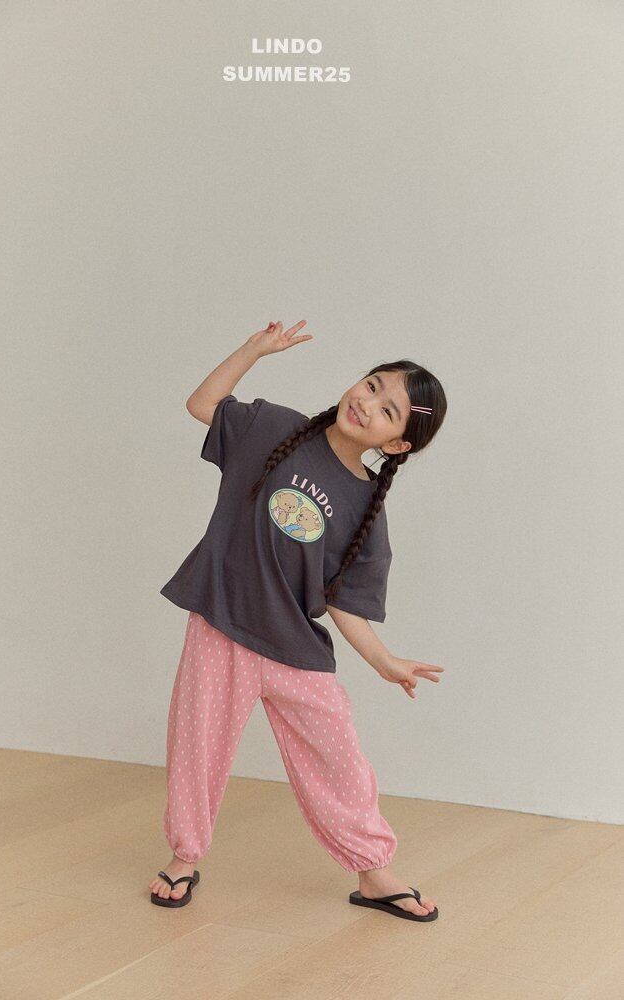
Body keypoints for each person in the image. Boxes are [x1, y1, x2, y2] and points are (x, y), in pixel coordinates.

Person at [149, 320, 447, 921]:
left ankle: (374, 872)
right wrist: (254, 350)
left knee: (340, 760)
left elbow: (344, 602)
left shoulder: (366, 508)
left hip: (294, 648)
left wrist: (384, 660)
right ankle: (184, 857)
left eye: (387, 411)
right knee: (197, 745)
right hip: (223, 626)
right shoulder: (273, 428)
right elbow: (201, 405)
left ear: (396, 445)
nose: (367, 403)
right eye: (372, 385)